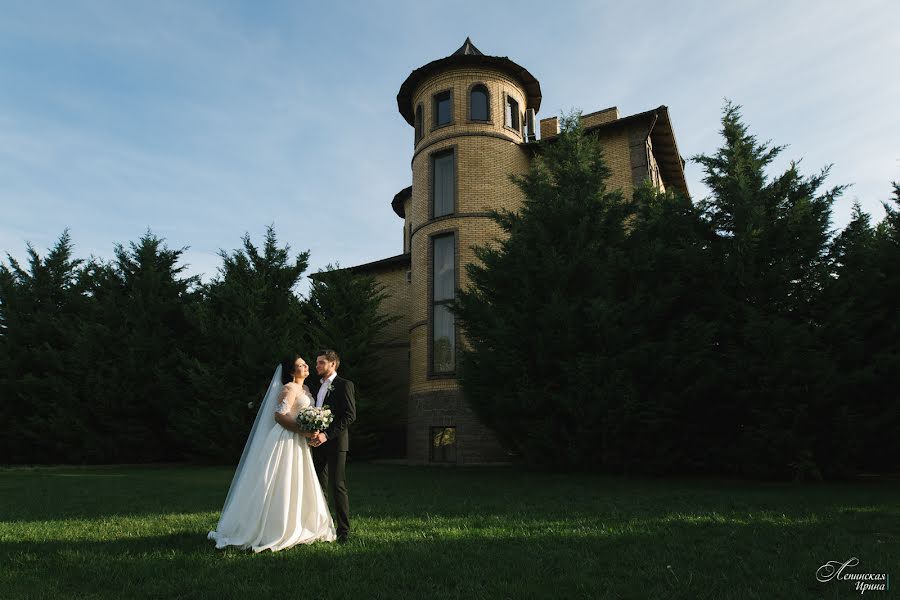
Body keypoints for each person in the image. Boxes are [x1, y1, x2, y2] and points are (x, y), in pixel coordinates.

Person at [208, 355, 336, 551]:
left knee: (298, 479)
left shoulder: (307, 390)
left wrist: (314, 427)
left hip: (299, 441)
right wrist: (303, 431)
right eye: (301, 365)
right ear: (292, 371)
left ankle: (300, 524)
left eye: (304, 363)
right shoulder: (289, 388)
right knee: (281, 479)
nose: (306, 366)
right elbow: (279, 416)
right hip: (285, 438)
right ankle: (273, 527)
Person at [308, 349, 356, 543]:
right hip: (317, 443)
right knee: (318, 486)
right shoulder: (316, 386)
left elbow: (350, 415)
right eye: (317, 362)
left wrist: (326, 435)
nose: (317, 366)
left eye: (321, 363)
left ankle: (343, 531)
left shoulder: (345, 385)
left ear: (332, 364)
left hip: (336, 443)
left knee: (337, 486)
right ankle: (322, 527)